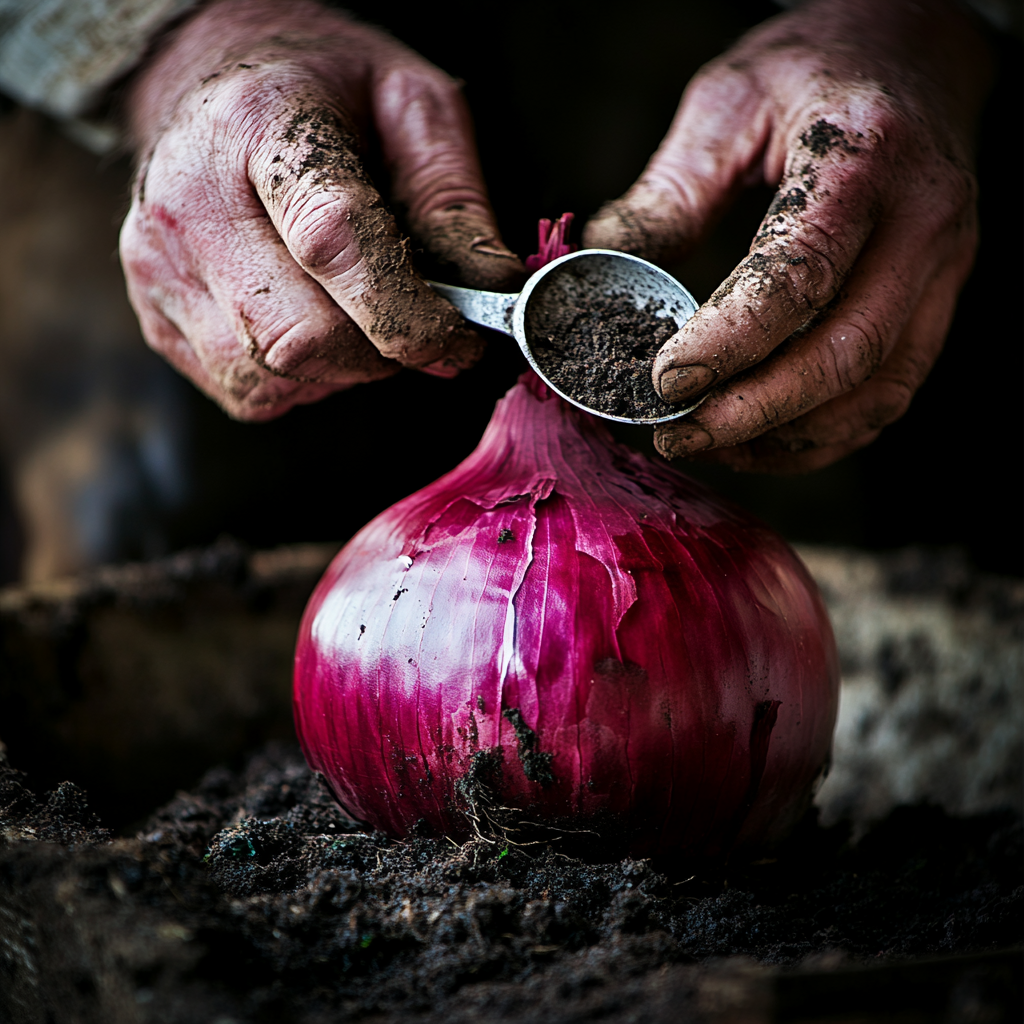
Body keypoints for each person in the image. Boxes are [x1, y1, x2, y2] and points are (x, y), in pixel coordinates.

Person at [0, 0, 1015, 579]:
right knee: (173, 543)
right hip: (212, 69)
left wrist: (933, 19)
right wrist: (154, 39)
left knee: (845, 426)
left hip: (746, 33)